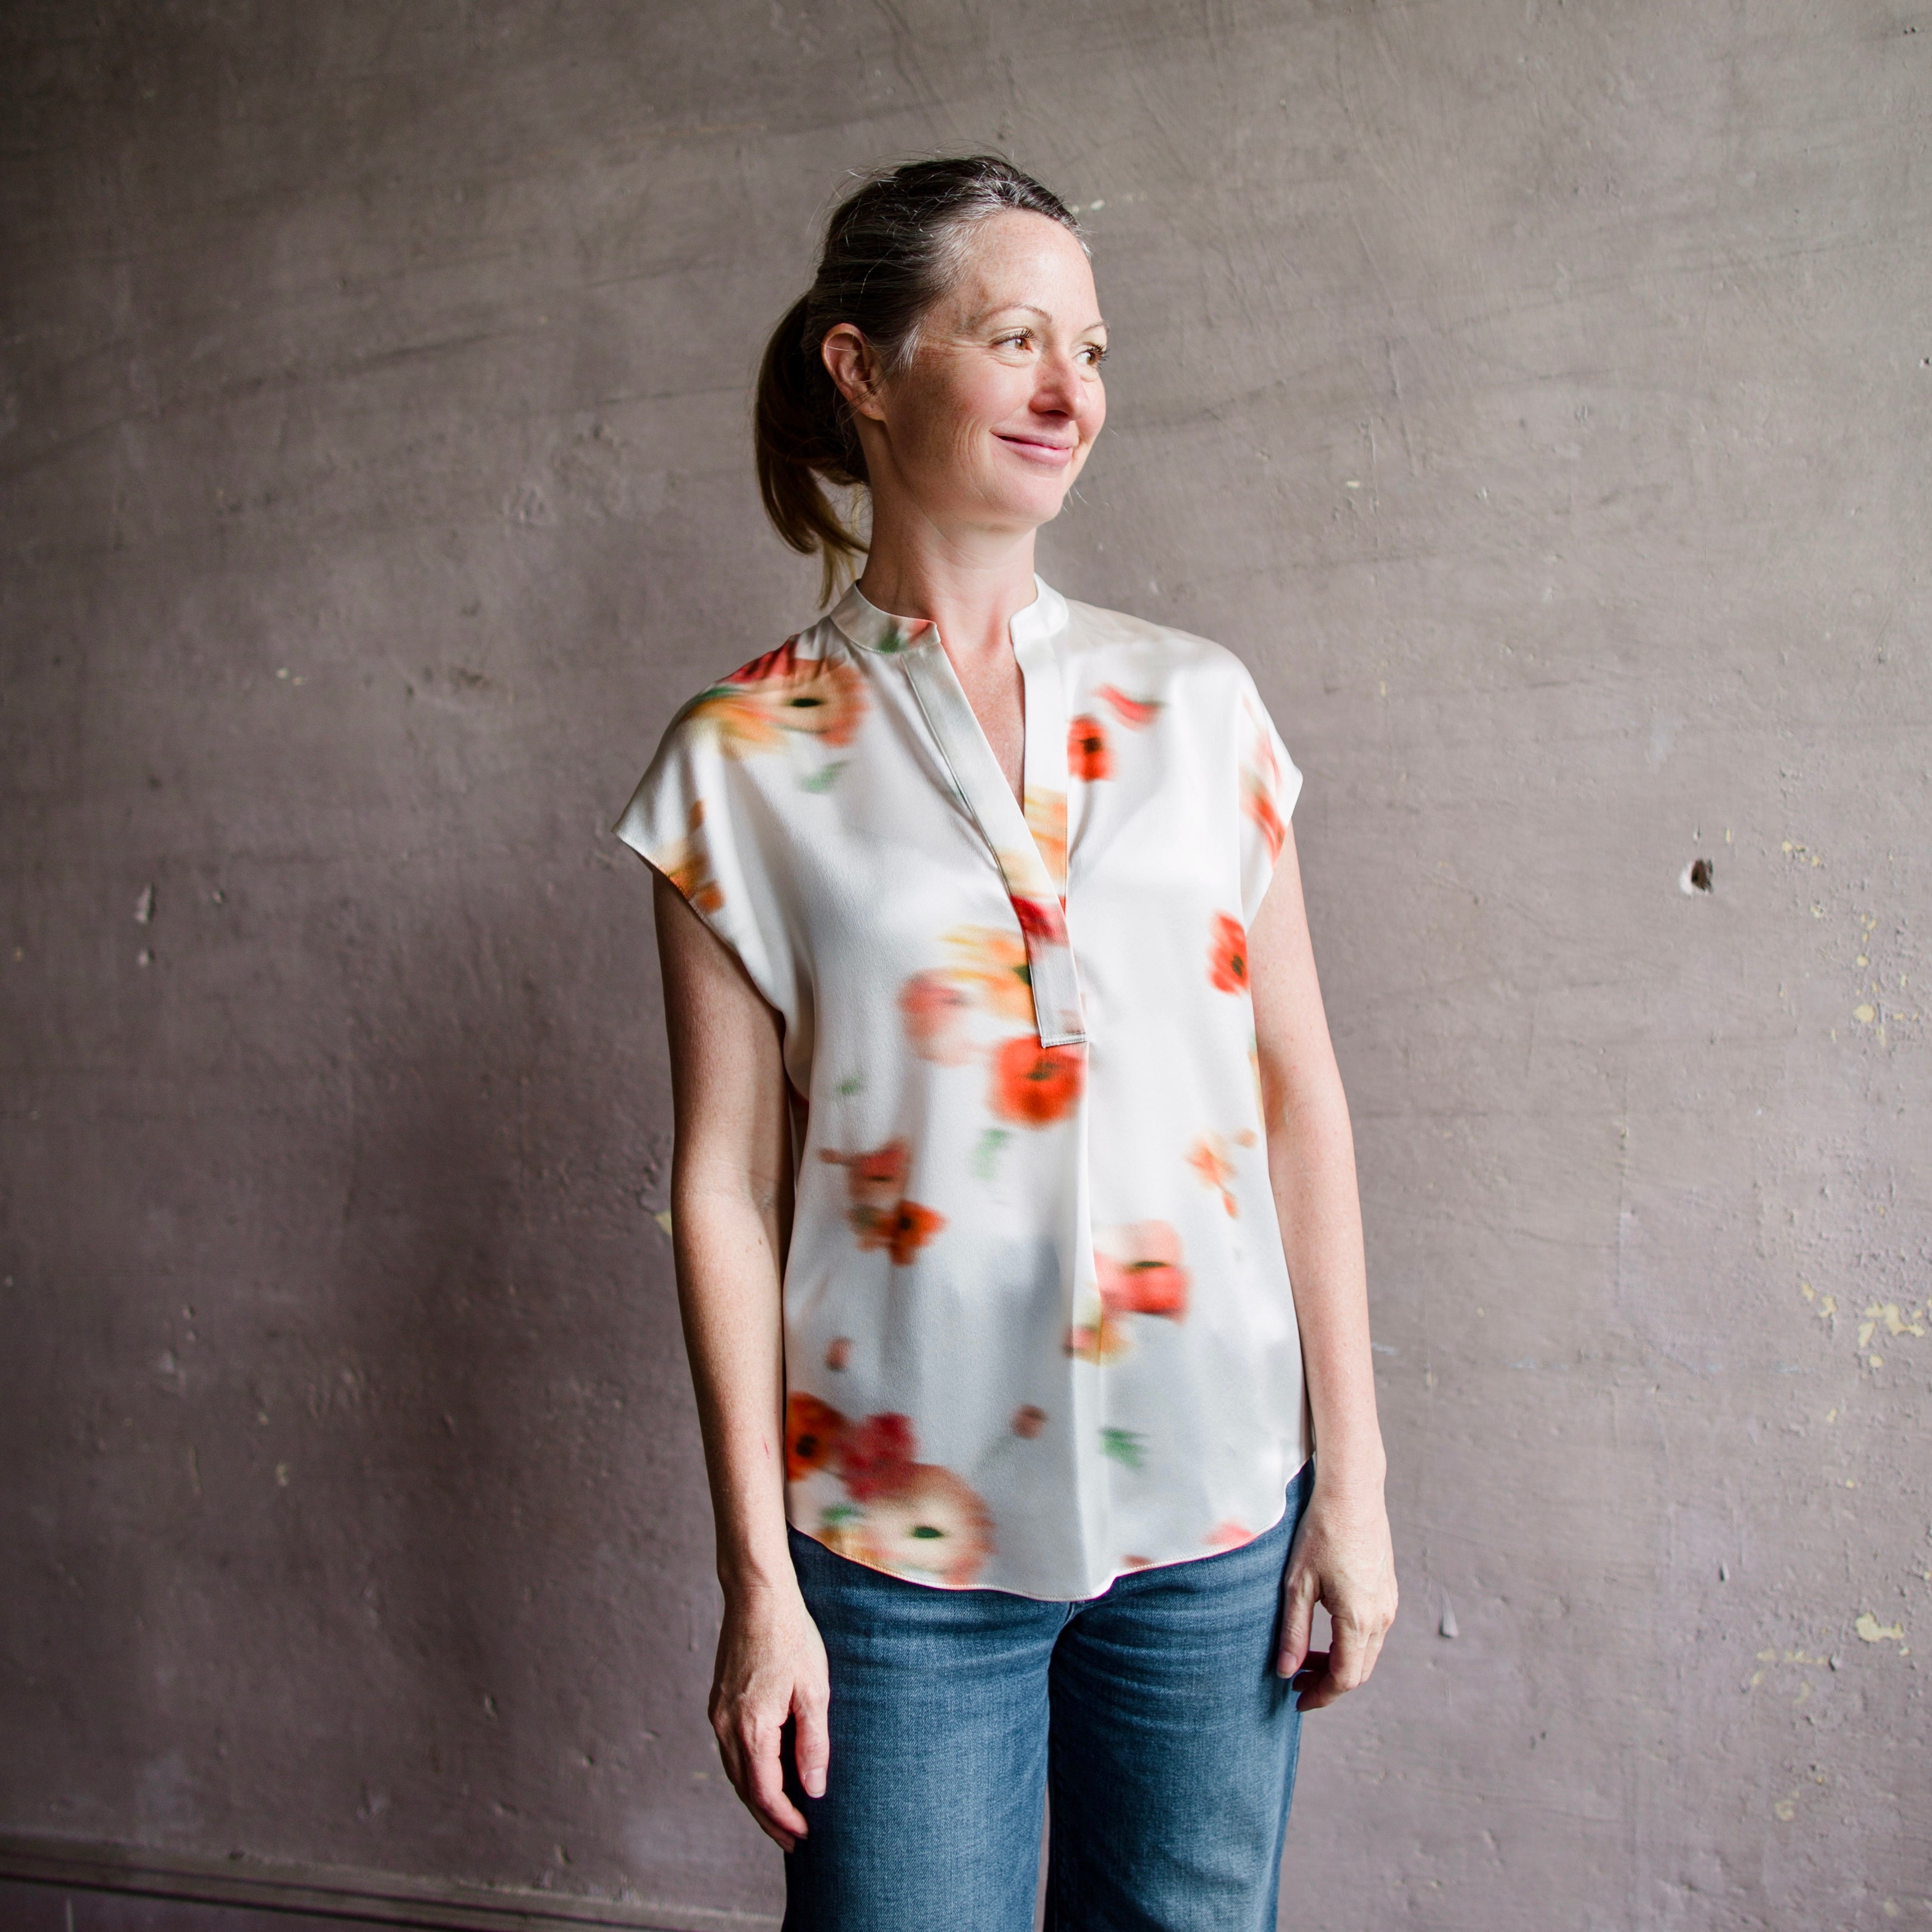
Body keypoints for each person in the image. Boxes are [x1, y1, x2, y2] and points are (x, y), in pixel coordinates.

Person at [614, 154, 1397, 1932]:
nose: (1072, 393)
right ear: (863, 369)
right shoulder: (738, 757)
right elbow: (722, 1189)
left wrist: (1347, 1480)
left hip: (1212, 1515)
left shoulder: (1201, 711)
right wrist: (759, 1582)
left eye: (1094, 349)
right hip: (894, 1547)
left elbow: (1297, 1099)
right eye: (1015, 338)